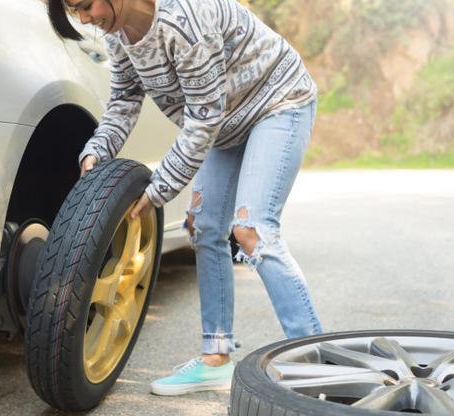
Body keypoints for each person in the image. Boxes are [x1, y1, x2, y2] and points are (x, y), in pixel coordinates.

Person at [49, 0, 323, 396]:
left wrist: (160, 187)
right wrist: (96, 151)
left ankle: (314, 360)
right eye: (76, 12)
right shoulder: (120, 36)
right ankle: (216, 358)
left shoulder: (185, 20)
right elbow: (125, 101)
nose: (86, 19)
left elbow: (203, 118)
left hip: (277, 104)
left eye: (85, 5)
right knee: (203, 225)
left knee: (251, 230)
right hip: (226, 122)